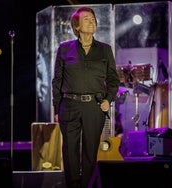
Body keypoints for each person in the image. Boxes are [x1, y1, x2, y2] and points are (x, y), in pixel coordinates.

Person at [52, 7, 120, 188]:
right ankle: (72, 184)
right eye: (87, 19)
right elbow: (57, 81)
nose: (92, 21)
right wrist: (56, 107)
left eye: (93, 18)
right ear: (77, 26)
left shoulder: (105, 50)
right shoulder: (64, 49)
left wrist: (108, 99)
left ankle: (86, 185)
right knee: (70, 150)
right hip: (69, 105)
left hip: (94, 106)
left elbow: (113, 80)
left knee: (90, 151)